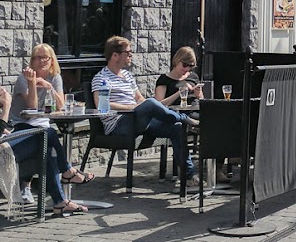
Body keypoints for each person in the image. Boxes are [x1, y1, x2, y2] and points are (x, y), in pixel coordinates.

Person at [92, 36, 199, 186]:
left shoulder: (128, 76)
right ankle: (183, 117)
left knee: (176, 128)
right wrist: (135, 107)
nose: (131, 56)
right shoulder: (101, 78)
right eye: (128, 53)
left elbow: (140, 100)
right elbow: (101, 105)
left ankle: (189, 176)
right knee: (152, 103)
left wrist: (146, 107)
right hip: (119, 125)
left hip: (138, 120)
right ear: (115, 55)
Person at [9, 44, 95, 206]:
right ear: (32, 61)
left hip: (41, 128)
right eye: (37, 58)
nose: (41, 61)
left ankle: (60, 203)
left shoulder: (55, 77)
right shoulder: (24, 78)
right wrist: (32, 83)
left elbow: (61, 105)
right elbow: (31, 107)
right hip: (22, 128)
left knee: (48, 149)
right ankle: (68, 171)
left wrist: (49, 87)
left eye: (45, 58)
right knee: (50, 133)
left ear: (51, 60)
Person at [1, 86, 89, 216]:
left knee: (46, 146)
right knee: (47, 133)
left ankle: (61, 200)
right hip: (3, 150)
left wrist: (8, 132)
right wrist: (7, 106)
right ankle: (67, 173)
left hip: (5, 142)